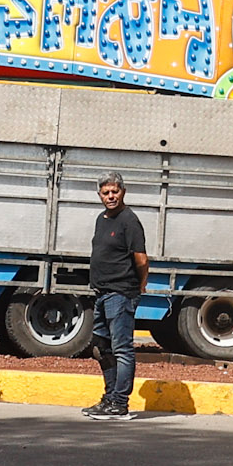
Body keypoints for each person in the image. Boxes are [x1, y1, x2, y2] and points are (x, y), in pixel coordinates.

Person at [84, 172, 149, 421]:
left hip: (121, 294)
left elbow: (141, 260)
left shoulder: (129, 220)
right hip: (101, 294)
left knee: (122, 348)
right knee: (101, 347)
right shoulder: (102, 219)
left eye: (115, 192)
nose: (110, 196)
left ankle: (120, 404)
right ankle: (109, 397)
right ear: (99, 195)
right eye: (105, 193)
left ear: (123, 192)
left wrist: (139, 286)